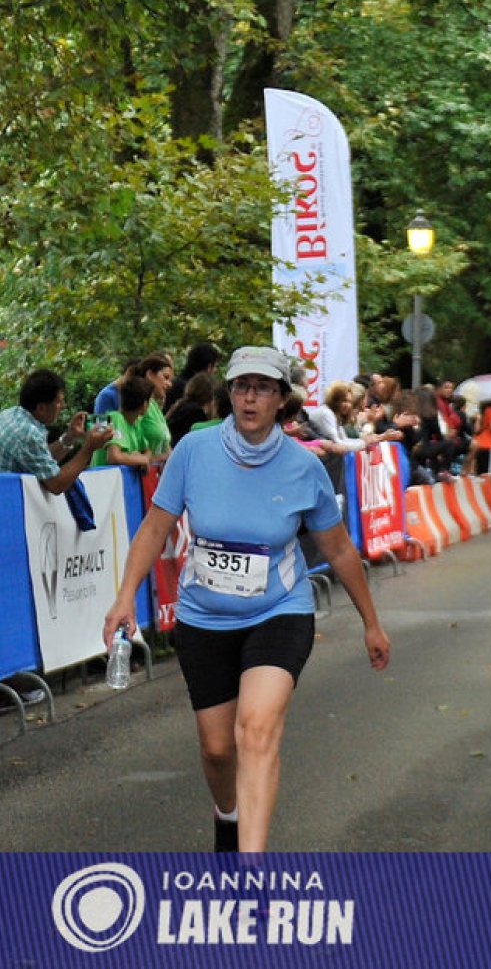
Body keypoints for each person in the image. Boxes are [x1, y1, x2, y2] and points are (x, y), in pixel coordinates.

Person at [101, 346, 390, 853]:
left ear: (281, 399)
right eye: (240, 386)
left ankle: (252, 874)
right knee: (217, 750)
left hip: (279, 611)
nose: (250, 397)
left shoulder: (303, 467)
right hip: (203, 617)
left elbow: (340, 549)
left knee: (255, 732)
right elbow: (154, 527)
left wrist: (371, 622)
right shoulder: (194, 451)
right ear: (228, 393)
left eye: (262, 388)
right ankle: (228, 816)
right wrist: (124, 598)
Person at [0, 369, 115, 712]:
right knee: (11, 607)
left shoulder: (12, 417)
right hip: (9, 532)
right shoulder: (27, 433)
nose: (62, 407)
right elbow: (55, 483)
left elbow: (41, 461)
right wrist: (88, 448)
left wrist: (70, 439)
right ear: (41, 407)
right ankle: (4, 685)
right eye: (58, 402)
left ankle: (8, 681)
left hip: (2, 525)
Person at [91, 375, 157, 468]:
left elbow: (148, 451)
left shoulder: (136, 423)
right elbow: (113, 458)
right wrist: (140, 459)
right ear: (145, 404)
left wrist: (140, 457)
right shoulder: (114, 418)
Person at [169, 342, 222, 414]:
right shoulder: (195, 393)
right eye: (215, 366)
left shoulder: (176, 383)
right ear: (209, 367)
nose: (215, 370)